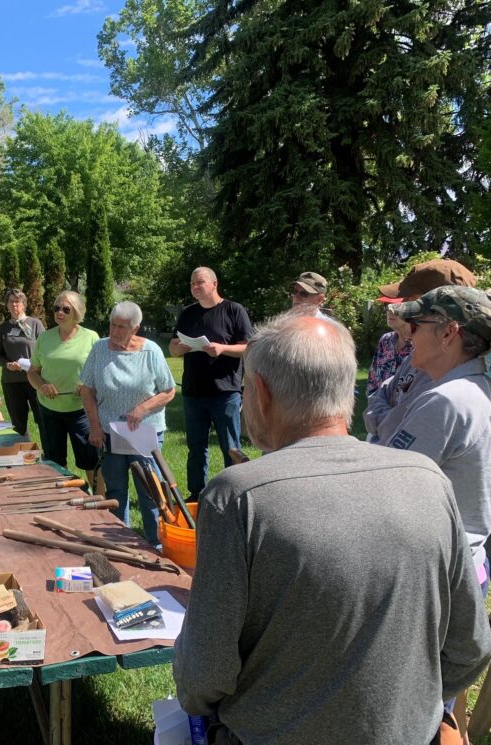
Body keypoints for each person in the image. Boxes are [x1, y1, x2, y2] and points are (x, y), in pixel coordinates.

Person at [173, 312, 491, 745]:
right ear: (347, 391)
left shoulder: (238, 496)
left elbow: (202, 676)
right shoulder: (429, 480)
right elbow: (469, 649)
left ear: (261, 393)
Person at [384, 286, 491, 588]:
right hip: (464, 567)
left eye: (417, 326)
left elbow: (387, 487)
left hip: (440, 577)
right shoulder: (472, 389)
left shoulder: (447, 401)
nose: (409, 335)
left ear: (449, 333)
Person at [80, 301, 175, 546]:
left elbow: (168, 390)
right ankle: (119, 542)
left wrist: (143, 409)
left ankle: (155, 543)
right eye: (112, 324)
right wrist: (95, 427)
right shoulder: (100, 349)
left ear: (136, 328)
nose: (115, 331)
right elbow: (87, 389)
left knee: (149, 492)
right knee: (115, 491)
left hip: (144, 432)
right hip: (110, 432)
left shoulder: (150, 351)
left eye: (122, 327)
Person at [363, 258, 476, 443]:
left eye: (412, 305)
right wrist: (383, 418)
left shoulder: (447, 381)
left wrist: (380, 420)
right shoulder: (418, 356)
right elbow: (377, 395)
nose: (403, 312)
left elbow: (393, 431)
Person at [169, 267, 252, 501]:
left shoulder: (233, 310)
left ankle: (235, 494)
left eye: (200, 282)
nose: (195, 287)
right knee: (196, 447)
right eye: (192, 283)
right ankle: (197, 494)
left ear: (214, 284)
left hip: (225, 391)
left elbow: (248, 347)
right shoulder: (188, 313)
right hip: (193, 391)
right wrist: (179, 348)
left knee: (231, 447)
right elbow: (173, 348)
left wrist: (223, 349)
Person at [28, 291, 99, 482]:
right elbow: (32, 371)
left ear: (76, 312)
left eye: (65, 309)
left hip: (81, 410)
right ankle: (60, 497)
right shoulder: (44, 338)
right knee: (54, 461)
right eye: (56, 308)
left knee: (89, 459)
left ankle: (94, 496)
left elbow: (100, 371)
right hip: (50, 410)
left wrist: (86, 384)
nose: (60, 312)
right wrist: (42, 386)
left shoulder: (91, 338)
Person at [0, 289, 45, 437]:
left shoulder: (35, 324)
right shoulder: (2, 329)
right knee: (18, 424)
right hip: (12, 382)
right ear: (7, 305)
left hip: (35, 380)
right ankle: (24, 453)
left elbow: (46, 350)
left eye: (18, 301)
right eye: (11, 301)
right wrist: (7, 364)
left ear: (24, 304)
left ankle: (48, 455)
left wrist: (34, 363)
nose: (14, 304)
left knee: (43, 419)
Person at [366, 301, 412, 396]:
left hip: (408, 407)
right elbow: (373, 375)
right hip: (379, 406)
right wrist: (373, 402)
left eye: (396, 307)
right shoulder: (386, 339)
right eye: (388, 307)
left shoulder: (420, 343)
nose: (390, 311)